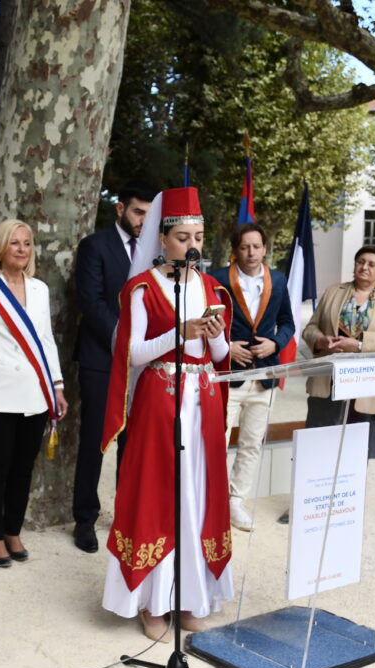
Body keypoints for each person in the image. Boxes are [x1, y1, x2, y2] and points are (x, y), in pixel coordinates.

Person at [101, 186, 233, 643]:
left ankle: (190, 597)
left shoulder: (212, 287)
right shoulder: (141, 288)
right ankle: (152, 603)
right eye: (183, 237)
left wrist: (214, 335)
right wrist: (178, 332)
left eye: (198, 236)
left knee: (197, 493)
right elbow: (133, 353)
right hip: (160, 399)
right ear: (162, 240)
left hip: (204, 402)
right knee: (161, 493)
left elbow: (217, 354)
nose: (192, 245)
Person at [0, 220, 68, 567]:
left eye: (26, 243)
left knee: (23, 469)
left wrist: (58, 386)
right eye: (14, 243)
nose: (22, 249)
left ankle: (13, 531)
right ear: (0, 249)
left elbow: (47, 341)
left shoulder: (39, 289)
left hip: (35, 394)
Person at [71, 181, 156, 553]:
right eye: (139, 212)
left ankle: (126, 515)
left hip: (146, 362)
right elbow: (90, 302)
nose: (144, 221)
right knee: (94, 441)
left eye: (150, 215)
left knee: (134, 443)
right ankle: (84, 519)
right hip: (101, 359)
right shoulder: (95, 246)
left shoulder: (157, 251)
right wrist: (125, 342)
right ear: (120, 208)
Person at [210, 222, 294, 532]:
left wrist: (276, 342)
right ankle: (212, 500)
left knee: (251, 445)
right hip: (228, 376)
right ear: (236, 250)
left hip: (264, 376)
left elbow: (288, 323)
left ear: (265, 248)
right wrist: (226, 347)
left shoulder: (279, 281)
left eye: (256, 246)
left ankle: (235, 502)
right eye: (245, 247)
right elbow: (206, 323)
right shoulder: (217, 279)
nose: (251, 252)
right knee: (215, 442)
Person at [302, 245, 375, 459]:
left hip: (367, 386)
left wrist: (358, 345)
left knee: (358, 454)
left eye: (371, 264)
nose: (364, 267)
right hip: (328, 383)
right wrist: (320, 340)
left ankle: (349, 493)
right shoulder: (333, 292)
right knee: (320, 449)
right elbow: (310, 328)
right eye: (360, 262)